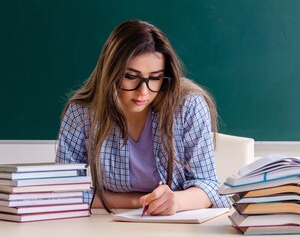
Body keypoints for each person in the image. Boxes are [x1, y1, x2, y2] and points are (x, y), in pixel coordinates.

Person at [56, 19, 231, 215]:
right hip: (109, 224)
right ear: (111, 72)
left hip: (178, 223)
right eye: (131, 77)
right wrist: (137, 202)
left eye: (155, 78)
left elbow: (209, 186)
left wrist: (176, 201)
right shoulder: (81, 113)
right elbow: (65, 192)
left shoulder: (189, 106)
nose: (143, 92)